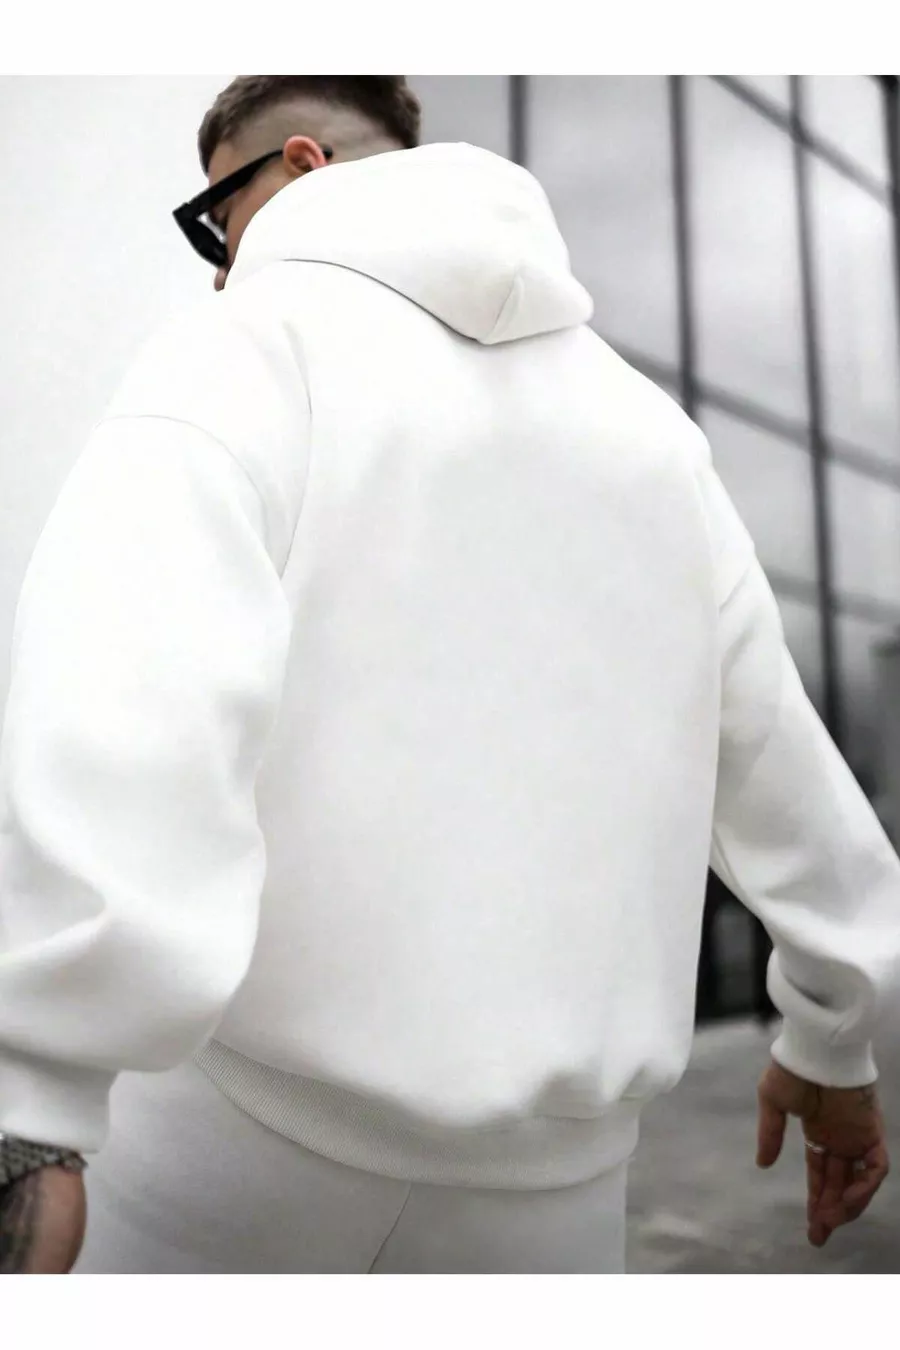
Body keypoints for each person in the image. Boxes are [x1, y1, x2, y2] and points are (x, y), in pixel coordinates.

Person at [0, 74, 895, 1276]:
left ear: (302, 165)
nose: (217, 265)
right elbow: (780, 765)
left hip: (222, 1170)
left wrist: (34, 1095)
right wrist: (836, 1037)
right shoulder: (652, 438)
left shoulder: (246, 344)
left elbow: (128, 698)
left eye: (216, 219)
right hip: (556, 1209)